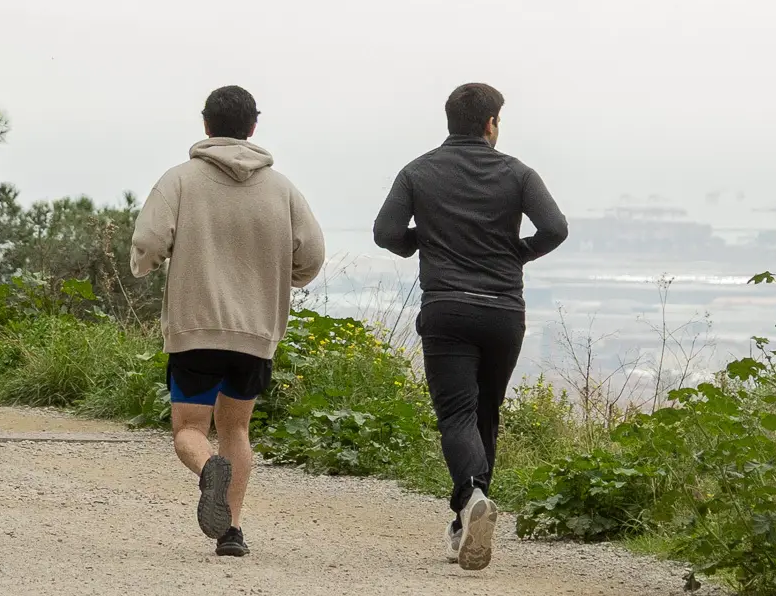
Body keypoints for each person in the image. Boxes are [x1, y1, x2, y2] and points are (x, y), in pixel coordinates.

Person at [373, 83, 568, 570]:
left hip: (448, 309)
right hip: (504, 311)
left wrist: (425, 240)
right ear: (490, 123)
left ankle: (471, 498)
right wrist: (516, 253)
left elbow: (385, 234)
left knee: (456, 415)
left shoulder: (417, 171)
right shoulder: (518, 173)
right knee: (485, 413)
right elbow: (555, 228)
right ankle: (467, 520)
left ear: (449, 121)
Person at [131, 85, 326, 558]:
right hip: (256, 333)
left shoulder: (179, 180)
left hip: (195, 328)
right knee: (236, 429)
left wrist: (147, 266)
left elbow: (149, 239)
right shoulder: (283, 190)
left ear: (205, 125)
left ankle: (208, 471)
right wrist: (287, 278)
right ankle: (231, 532)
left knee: (189, 431)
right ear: (253, 126)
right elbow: (313, 254)